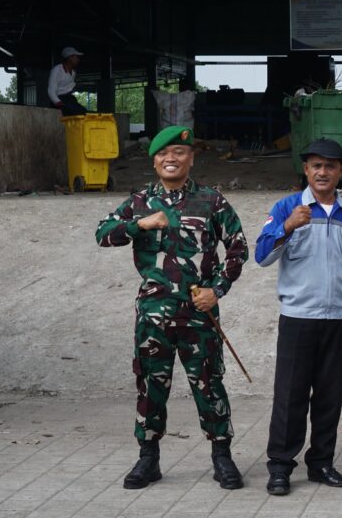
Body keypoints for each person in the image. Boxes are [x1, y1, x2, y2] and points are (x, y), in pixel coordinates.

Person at [95, 125, 249, 490]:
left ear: (190, 158)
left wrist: (218, 290)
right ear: (154, 161)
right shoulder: (138, 202)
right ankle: (148, 459)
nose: (171, 159)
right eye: (164, 154)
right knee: (151, 386)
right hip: (153, 314)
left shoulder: (212, 201)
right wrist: (140, 224)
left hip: (199, 314)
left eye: (179, 153)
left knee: (209, 385)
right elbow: (102, 234)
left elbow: (238, 248)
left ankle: (222, 457)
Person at [255, 138, 342, 496]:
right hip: (298, 317)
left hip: (338, 319)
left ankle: (321, 463)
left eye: (330, 166)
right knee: (290, 396)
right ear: (305, 170)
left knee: (329, 397)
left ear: (340, 172)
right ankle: (280, 467)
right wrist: (287, 227)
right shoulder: (287, 207)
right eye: (316, 166)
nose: (323, 172)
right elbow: (261, 255)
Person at [48, 46, 87, 116]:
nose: (78, 60)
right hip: (60, 99)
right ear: (69, 57)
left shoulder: (73, 72)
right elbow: (51, 90)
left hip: (69, 99)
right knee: (76, 112)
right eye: (76, 57)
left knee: (84, 112)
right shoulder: (57, 70)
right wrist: (58, 103)